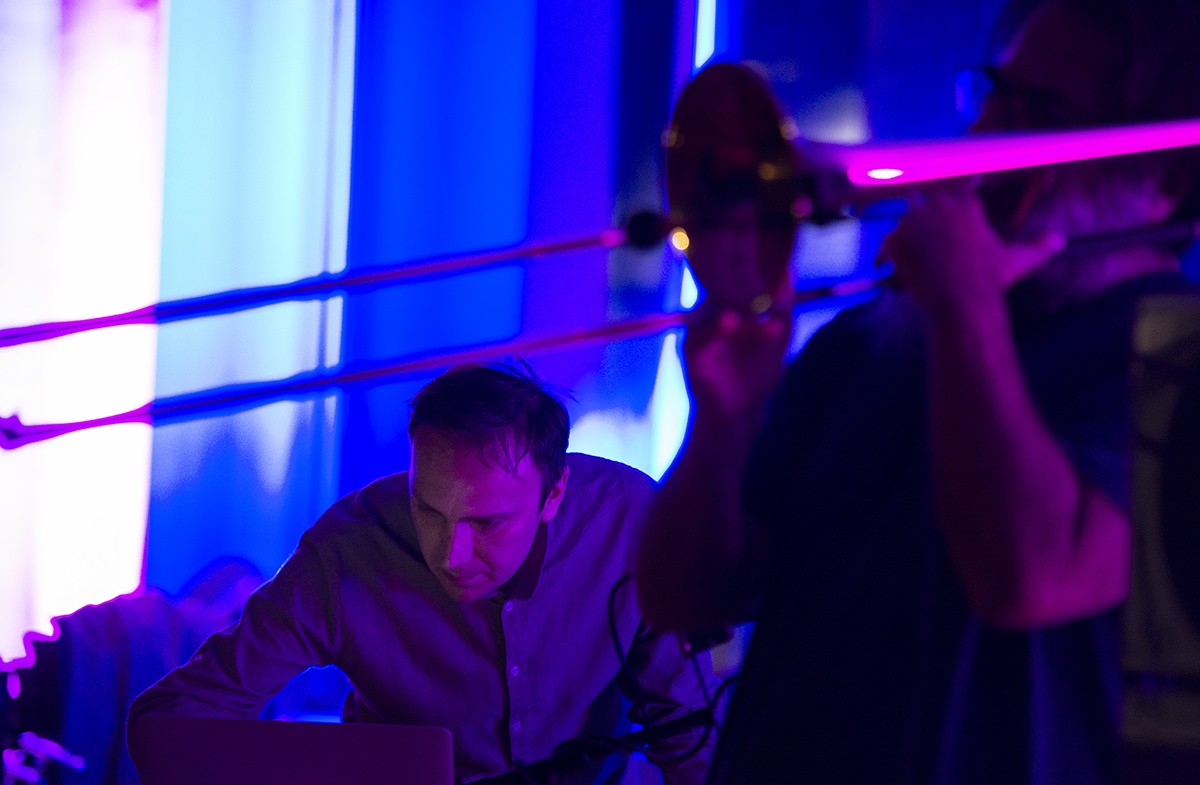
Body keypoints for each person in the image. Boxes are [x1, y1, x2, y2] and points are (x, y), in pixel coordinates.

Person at [637, 0, 1200, 783]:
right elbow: (685, 597)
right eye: (998, 92)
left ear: (1163, 179)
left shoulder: (1178, 355)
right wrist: (722, 422)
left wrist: (967, 306)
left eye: (1042, 112)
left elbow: (1030, 575)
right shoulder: (872, 338)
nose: (991, 132)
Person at [129, 362, 714, 785]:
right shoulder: (348, 552)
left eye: (486, 523)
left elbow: (689, 737)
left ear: (553, 494)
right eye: (428, 510)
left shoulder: (631, 524)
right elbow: (173, 721)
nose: (451, 555)